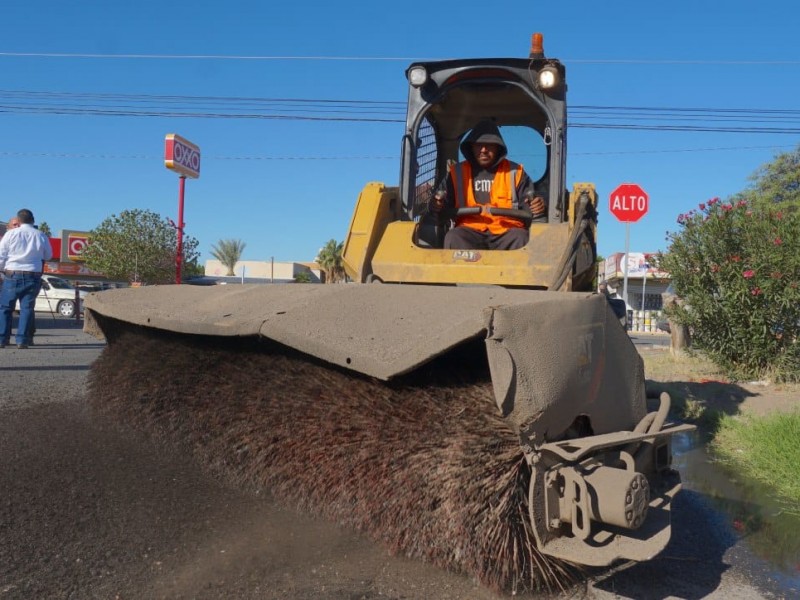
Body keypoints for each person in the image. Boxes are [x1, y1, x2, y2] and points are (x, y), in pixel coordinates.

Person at [430, 120, 547, 250]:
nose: (484, 150)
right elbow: (441, 203)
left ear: (498, 147)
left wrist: (537, 205)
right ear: (471, 146)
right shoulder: (456, 173)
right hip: (469, 230)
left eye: (490, 145)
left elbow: (528, 202)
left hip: (507, 230)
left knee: (521, 237)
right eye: (479, 145)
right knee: (453, 237)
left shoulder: (516, 172)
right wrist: (436, 205)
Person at [0, 209, 52, 349]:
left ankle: (2, 339)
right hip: (32, 275)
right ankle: (22, 339)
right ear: (33, 220)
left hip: (12, 274)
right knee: (27, 308)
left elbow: (1, 255)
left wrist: (2, 269)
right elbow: (48, 256)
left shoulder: (10, 234)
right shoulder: (40, 235)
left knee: (5, 307)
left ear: (19, 220)